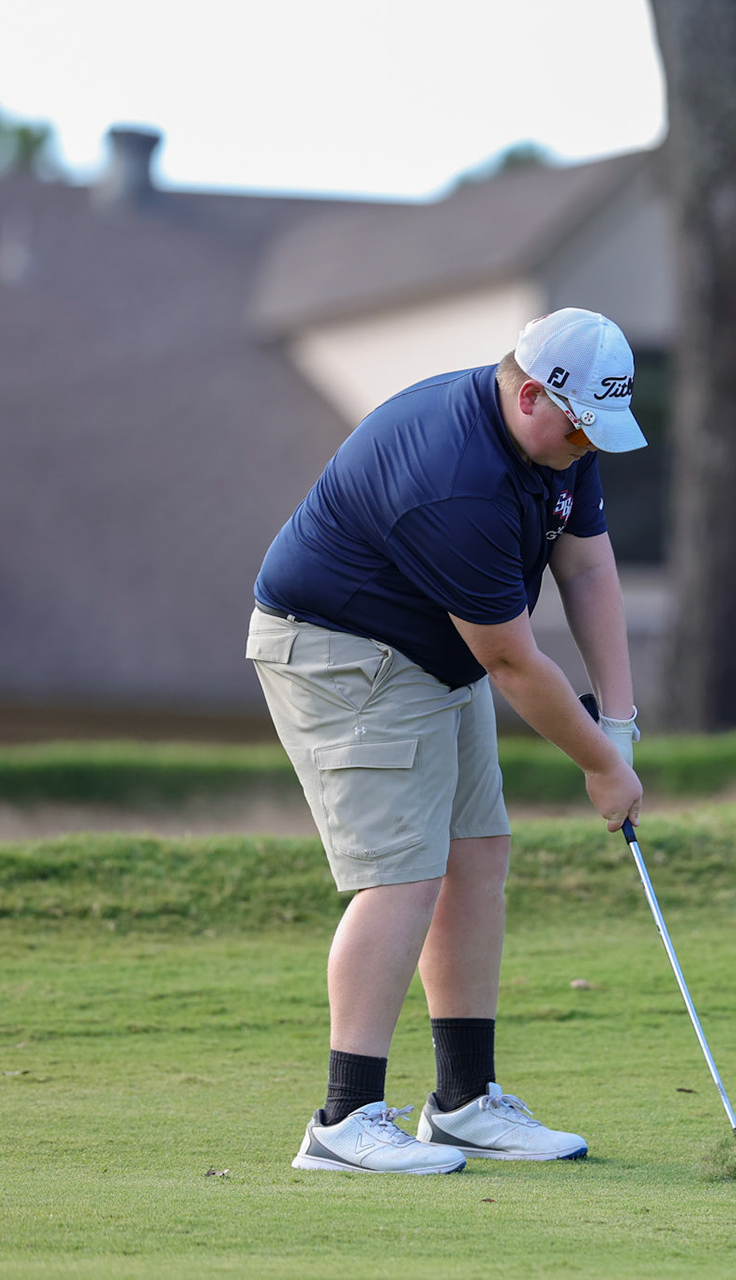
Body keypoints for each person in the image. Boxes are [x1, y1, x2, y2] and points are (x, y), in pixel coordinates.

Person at [246, 308, 646, 1174]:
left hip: (436, 649)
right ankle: (343, 1123)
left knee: (476, 853)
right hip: (341, 650)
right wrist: (602, 767)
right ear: (531, 394)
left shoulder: (558, 445)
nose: (589, 446)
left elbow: (586, 565)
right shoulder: (456, 475)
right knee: (402, 872)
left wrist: (619, 718)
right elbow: (512, 660)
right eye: (580, 428)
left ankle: (464, 1103)